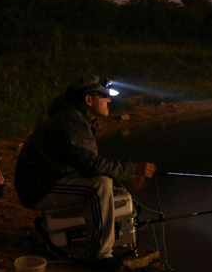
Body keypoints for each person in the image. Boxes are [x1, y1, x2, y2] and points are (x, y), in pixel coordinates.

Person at [14, 74, 156, 262]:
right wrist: (132, 169)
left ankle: (93, 243)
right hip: (39, 187)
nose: (109, 101)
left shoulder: (78, 119)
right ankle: (99, 255)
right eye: (104, 96)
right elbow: (91, 166)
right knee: (99, 186)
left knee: (103, 184)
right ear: (88, 100)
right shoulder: (72, 120)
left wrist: (128, 171)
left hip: (52, 180)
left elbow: (86, 162)